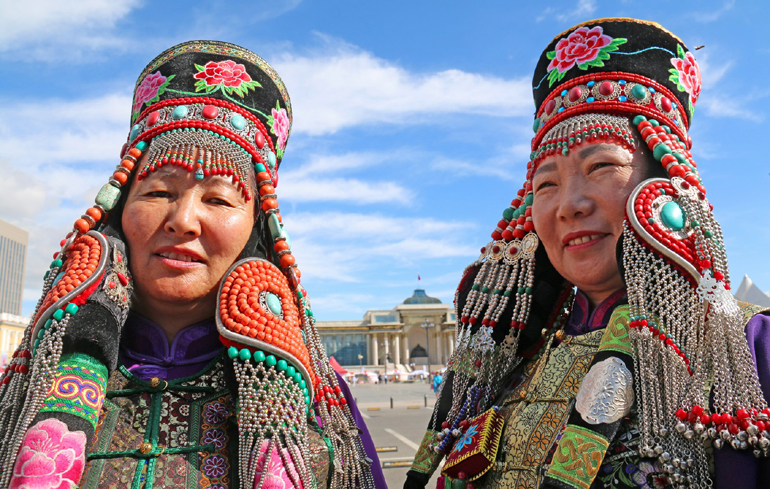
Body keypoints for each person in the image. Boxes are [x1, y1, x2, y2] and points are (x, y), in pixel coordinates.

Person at [0, 40, 386, 489]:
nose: (183, 221)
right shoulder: (32, 384)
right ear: (120, 208)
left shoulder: (319, 402)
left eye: (219, 200)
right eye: (160, 192)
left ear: (258, 227)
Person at [405, 18, 770, 489]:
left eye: (600, 166)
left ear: (666, 188)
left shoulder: (749, 348)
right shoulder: (516, 359)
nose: (569, 205)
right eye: (546, 185)